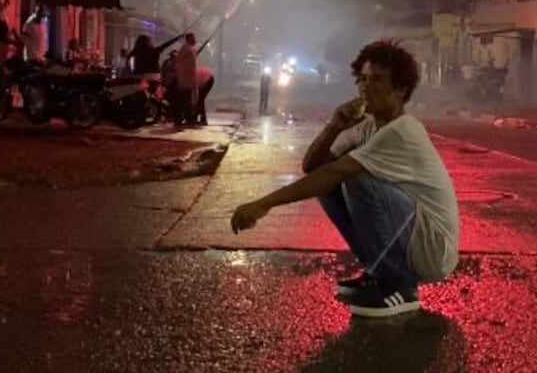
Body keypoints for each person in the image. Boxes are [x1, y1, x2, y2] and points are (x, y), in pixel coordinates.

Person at [231, 40, 460, 318]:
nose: (365, 87)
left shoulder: (402, 131)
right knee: (331, 185)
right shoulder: (368, 127)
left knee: (354, 178)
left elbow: (336, 171)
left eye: (377, 80)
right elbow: (313, 166)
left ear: (400, 89)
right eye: (362, 79)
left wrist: (263, 204)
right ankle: (380, 272)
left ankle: (400, 285)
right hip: (413, 239)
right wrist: (335, 125)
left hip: (432, 248)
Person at [174, 33, 199, 125]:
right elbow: (181, 62)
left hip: (187, 79)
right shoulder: (186, 49)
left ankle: (185, 119)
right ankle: (184, 120)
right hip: (186, 80)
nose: (195, 40)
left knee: (187, 100)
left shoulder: (188, 49)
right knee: (185, 101)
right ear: (188, 39)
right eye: (193, 38)